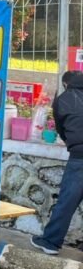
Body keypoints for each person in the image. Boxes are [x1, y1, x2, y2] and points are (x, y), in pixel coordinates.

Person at [31, 70, 83, 255]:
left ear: (66, 84)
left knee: (67, 202)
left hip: (80, 157)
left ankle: (50, 242)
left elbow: (61, 129)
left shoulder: (63, 99)